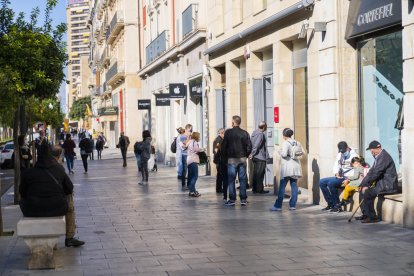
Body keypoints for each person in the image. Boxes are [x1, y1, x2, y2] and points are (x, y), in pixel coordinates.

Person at [19, 143, 84, 247]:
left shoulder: (28, 173)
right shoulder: (59, 169)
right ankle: (70, 237)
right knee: (69, 197)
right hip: (57, 208)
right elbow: (69, 188)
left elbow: (22, 192)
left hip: (31, 210)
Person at [357, 141, 398, 223]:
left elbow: (377, 173)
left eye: (373, 150)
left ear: (378, 147)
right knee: (362, 190)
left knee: (368, 192)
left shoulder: (384, 157)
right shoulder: (378, 157)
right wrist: (363, 184)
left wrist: (367, 184)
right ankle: (366, 214)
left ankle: (372, 217)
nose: (372, 152)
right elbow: (371, 172)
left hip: (387, 185)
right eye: (371, 151)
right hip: (381, 183)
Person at [319, 141, 359, 212]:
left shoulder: (354, 156)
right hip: (340, 176)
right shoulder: (340, 154)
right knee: (321, 182)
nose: (343, 153)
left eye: (344, 151)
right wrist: (336, 173)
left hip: (348, 178)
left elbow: (357, 170)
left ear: (347, 148)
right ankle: (330, 203)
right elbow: (336, 164)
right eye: (341, 151)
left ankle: (337, 206)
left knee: (331, 183)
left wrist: (349, 179)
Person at [221, 115, 252, 206]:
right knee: (242, 179)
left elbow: (224, 147)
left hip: (231, 159)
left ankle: (232, 199)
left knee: (231, 179)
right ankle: (243, 199)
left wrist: (224, 158)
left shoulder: (228, 133)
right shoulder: (245, 133)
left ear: (233, 122)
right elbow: (249, 146)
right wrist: (246, 155)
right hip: (242, 158)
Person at [270, 128, 303, 211]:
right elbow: (303, 152)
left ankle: (278, 206)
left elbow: (284, 154)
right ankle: (292, 205)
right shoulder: (297, 142)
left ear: (284, 135)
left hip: (287, 167)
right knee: (294, 186)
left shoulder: (285, 143)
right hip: (296, 166)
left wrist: (279, 151)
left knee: (282, 187)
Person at [250, 121, 270, 194]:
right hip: (260, 156)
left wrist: (252, 154)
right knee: (260, 173)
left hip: (255, 157)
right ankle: (259, 189)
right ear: (264, 127)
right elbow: (256, 145)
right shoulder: (260, 134)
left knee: (256, 173)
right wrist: (252, 153)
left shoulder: (254, 133)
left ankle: (255, 189)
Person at [186, 132, 204, 197]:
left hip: (188, 160)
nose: (199, 137)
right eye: (199, 136)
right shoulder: (195, 143)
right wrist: (202, 149)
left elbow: (185, 147)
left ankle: (192, 191)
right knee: (195, 176)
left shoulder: (189, 142)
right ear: (196, 137)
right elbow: (197, 150)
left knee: (191, 176)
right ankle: (192, 191)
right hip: (193, 160)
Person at [179, 124, 193, 190]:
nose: (191, 130)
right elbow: (185, 145)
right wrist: (188, 137)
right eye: (190, 129)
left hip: (190, 154)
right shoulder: (183, 136)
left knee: (190, 170)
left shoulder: (190, 136)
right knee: (185, 170)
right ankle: (183, 184)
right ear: (187, 129)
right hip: (185, 155)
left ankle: (189, 184)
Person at [213, 128, 225, 194]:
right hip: (219, 160)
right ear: (221, 133)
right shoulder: (218, 140)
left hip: (219, 159)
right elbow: (216, 150)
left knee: (220, 174)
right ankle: (219, 188)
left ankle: (219, 188)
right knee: (220, 175)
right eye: (223, 133)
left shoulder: (219, 139)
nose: (224, 134)